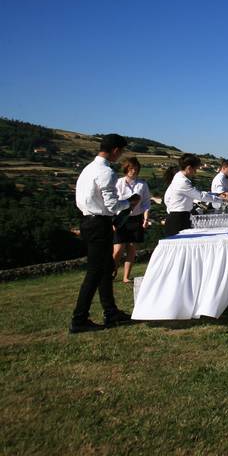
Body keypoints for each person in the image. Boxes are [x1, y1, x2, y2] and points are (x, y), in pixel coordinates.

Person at [71, 134, 139, 334]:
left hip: (87, 220)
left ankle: (111, 311)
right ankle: (79, 319)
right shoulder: (106, 172)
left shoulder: (88, 169)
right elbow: (112, 206)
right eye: (122, 152)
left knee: (106, 267)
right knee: (95, 271)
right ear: (116, 150)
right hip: (99, 223)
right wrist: (130, 202)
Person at [163, 154, 228, 236]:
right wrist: (221, 199)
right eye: (195, 169)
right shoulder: (182, 181)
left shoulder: (179, 177)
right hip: (178, 219)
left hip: (182, 216)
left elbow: (199, 193)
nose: (196, 172)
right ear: (189, 168)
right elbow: (200, 196)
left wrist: (218, 194)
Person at [113, 157, 150, 284]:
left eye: (135, 169)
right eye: (131, 168)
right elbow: (113, 202)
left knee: (132, 248)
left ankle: (126, 277)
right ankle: (112, 271)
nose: (133, 171)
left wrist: (146, 218)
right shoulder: (118, 183)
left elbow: (146, 203)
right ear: (126, 169)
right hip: (121, 218)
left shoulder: (142, 184)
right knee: (118, 249)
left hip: (136, 218)